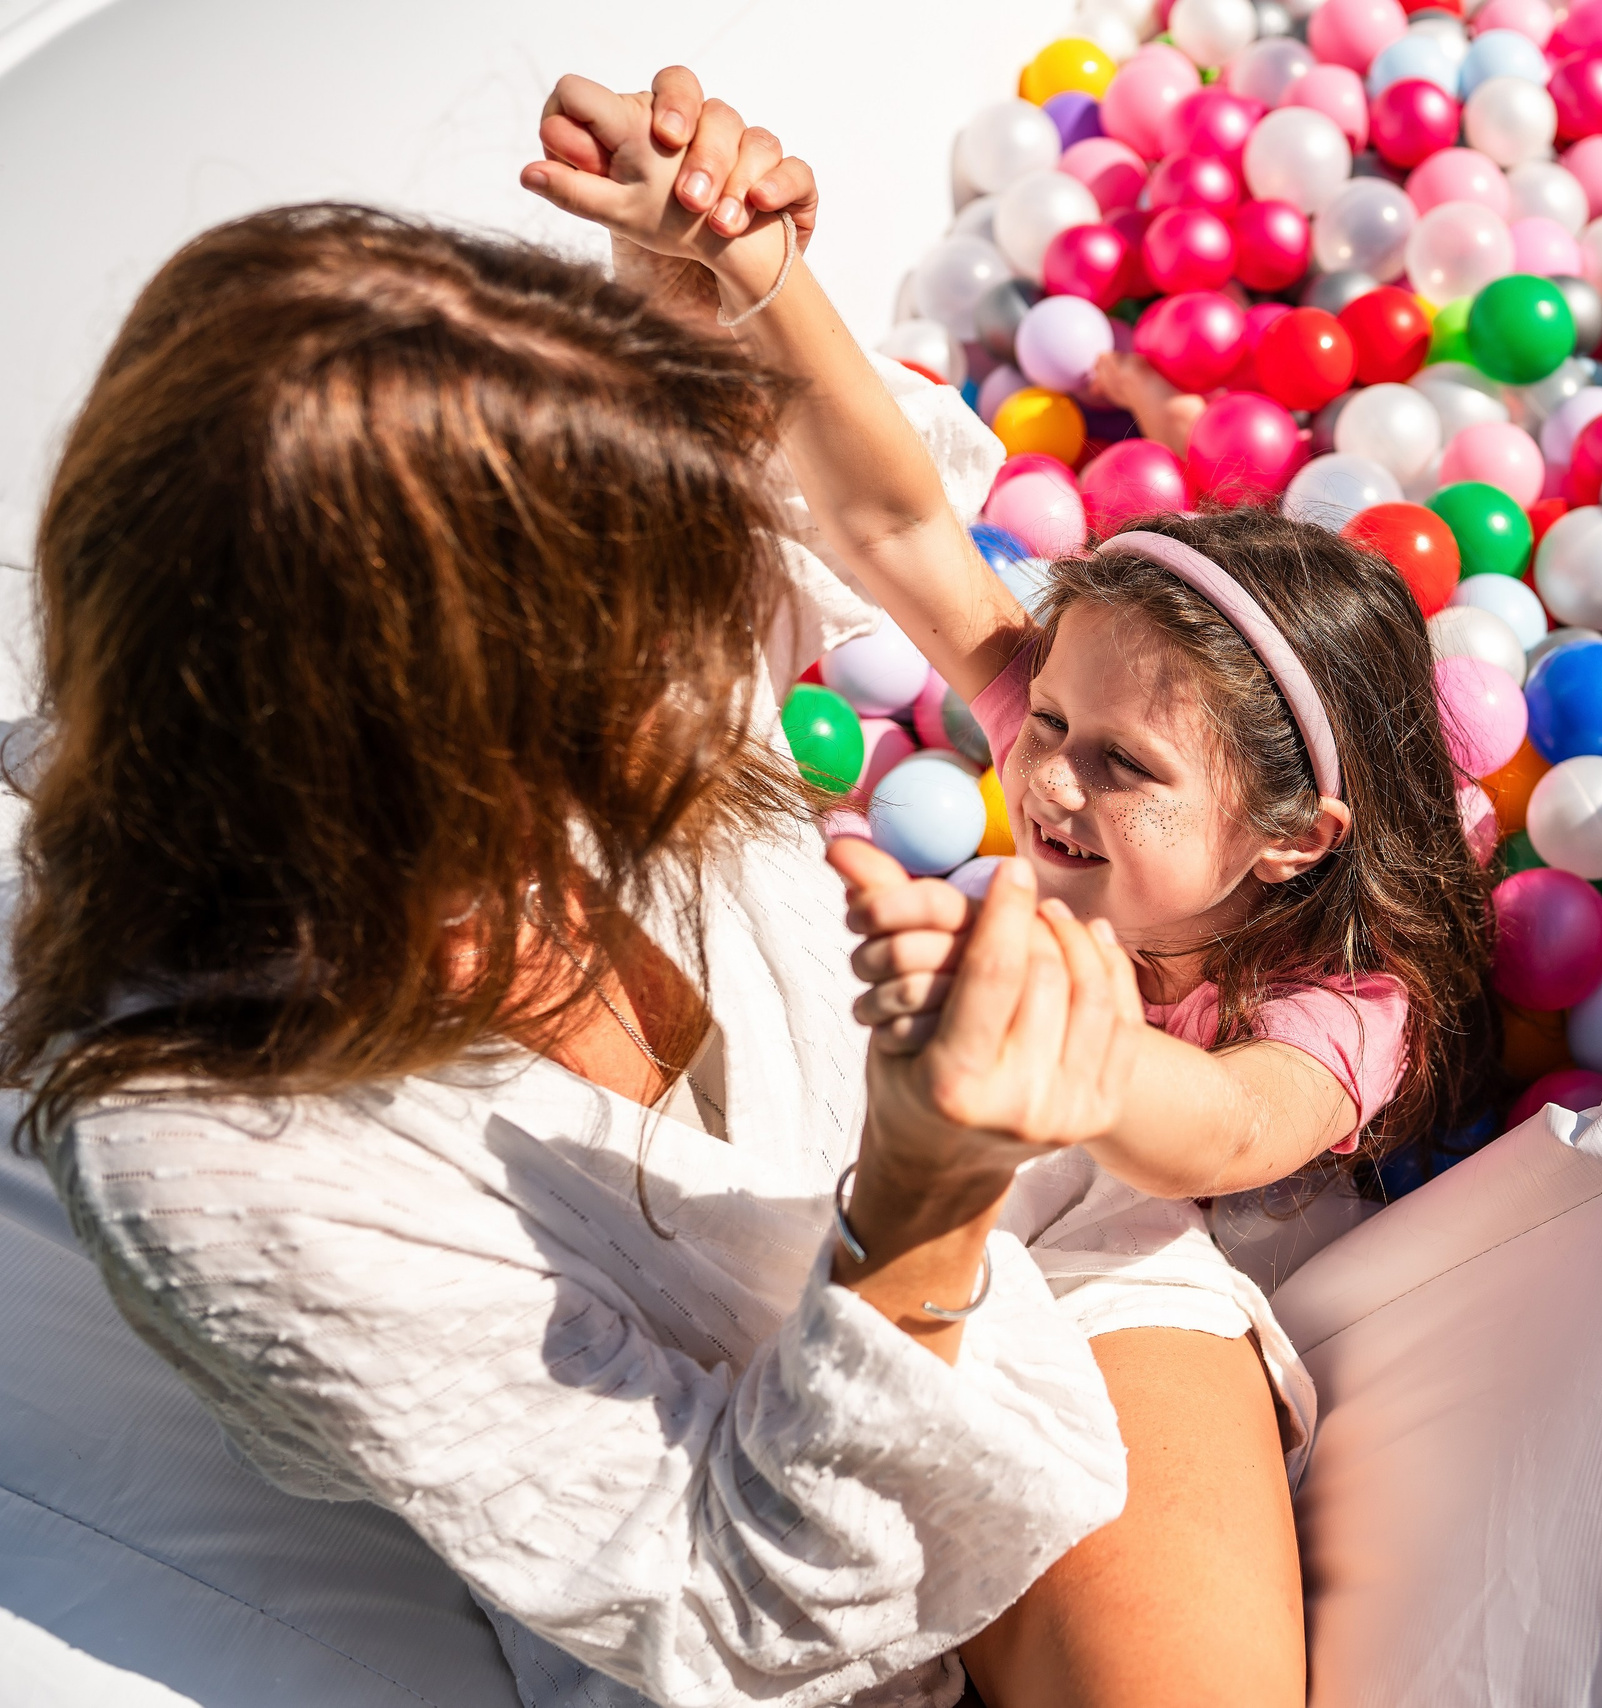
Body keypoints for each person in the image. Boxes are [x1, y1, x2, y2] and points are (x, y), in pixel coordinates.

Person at [0, 120, 1155, 1708]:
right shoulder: (206, 1153)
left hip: (1023, 1309)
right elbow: (724, 1609)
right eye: (640, 622)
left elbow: (864, 516)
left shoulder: (568, 652)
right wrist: (921, 1201)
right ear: (428, 731)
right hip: (789, 1561)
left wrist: (712, 303)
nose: (708, 653)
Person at [519, 69, 1503, 1705]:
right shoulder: (1072, 774)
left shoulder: (1349, 998)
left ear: (1292, 840)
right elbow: (900, 517)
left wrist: (1075, 1060)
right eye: (1048, 719)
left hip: (1140, 1249)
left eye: (1123, 767)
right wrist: (763, 274)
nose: (1045, 775)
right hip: (965, 1185)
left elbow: (1228, 1134)